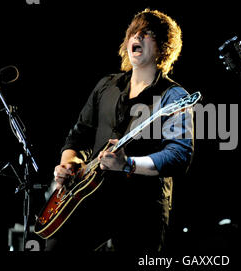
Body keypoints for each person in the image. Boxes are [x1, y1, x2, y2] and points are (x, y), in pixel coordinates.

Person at [46, 9, 194, 252]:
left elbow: (180, 155)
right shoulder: (106, 85)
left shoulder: (174, 96)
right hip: (92, 196)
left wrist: (128, 164)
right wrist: (69, 164)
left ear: (163, 46)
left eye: (147, 33)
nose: (137, 36)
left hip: (143, 207)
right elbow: (79, 135)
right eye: (133, 32)